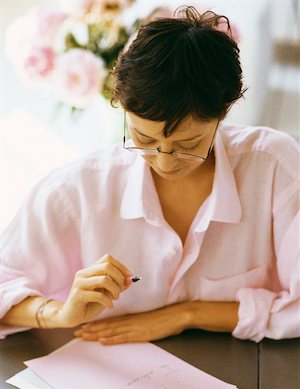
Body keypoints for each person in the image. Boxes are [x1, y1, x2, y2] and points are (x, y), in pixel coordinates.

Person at [0, 7, 299, 343]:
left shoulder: (274, 166)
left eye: (189, 144)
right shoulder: (78, 189)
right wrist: (58, 312)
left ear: (224, 113)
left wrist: (188, 314)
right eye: (144, 139)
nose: (166, 162)